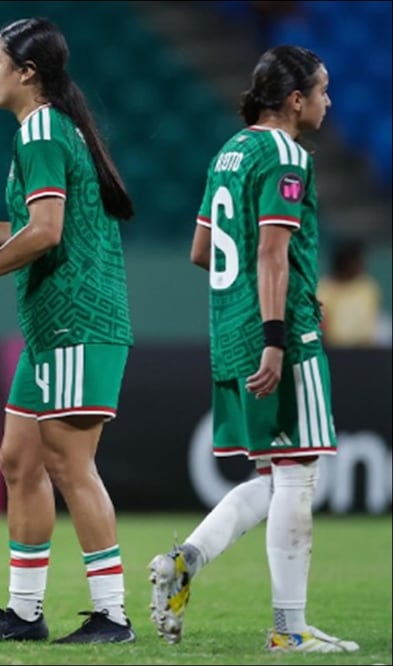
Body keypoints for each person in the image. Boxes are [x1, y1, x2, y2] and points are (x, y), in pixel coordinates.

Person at [0, 18, 137, 644]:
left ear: (26, 73)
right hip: (50, 330)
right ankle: (25, 613)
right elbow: (29, 226)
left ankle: (112, 615)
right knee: (18, 461)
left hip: (76, 323)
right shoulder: (49, 129)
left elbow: (45, 235)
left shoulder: (40, 129)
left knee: (69, 464)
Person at [148, 45, 359, 654]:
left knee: (272, 472)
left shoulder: (230, 152)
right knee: (299, 473)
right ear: (295, 100)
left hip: (228, 327)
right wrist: (276, 333)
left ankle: (186, 560)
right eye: (322, 90)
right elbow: (271, 252)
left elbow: (200, 250)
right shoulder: (287, 154)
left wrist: (251, 314)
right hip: (280, 333)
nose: (327, 101)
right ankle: (289, 631)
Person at [316, 240, 381, 347]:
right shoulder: (325, 288)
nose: (359, 266)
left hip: (365, 349)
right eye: (355, 261)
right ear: (344, 263)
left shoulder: (368, 287)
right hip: (334, 350)